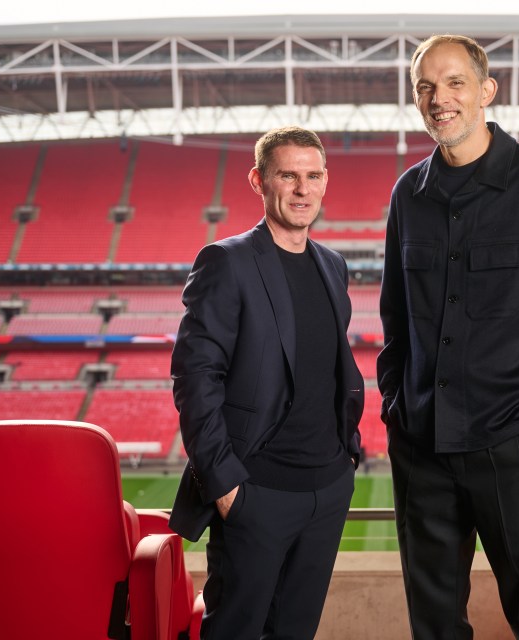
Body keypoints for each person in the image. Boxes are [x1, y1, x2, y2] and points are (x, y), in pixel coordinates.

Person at [377, 35, 519, 639]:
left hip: (514, 445)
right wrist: (397, 409)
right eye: (425, 86)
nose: (438, 98)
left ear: (485, 91)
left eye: (453, 83)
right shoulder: (408, 194)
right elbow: (394, 318)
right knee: (434, 625)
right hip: (422, 446)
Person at [169, 126, 364, 640]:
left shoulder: (332, 264)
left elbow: (329, 366)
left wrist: (347, 456)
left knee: (296, 631)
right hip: (257, 492)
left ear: (325, 181)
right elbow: (195, 377)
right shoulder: (226, 261)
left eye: (313, 175)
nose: (302, 189)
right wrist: (227, 486)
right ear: (259, 180)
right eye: (288, 176)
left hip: (327, 488)